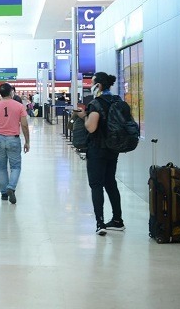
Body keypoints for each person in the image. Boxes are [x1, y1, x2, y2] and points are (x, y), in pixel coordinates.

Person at [72, 72, 124, 236]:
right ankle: (118, 220)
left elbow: (91, 127)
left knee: (96, 185)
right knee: (110, 183)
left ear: (98, 86)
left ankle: (100, 223)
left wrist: (83, 116)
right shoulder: (116, 100)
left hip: (97, 149)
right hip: (113, 148)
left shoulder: (96, 103)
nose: (90, 85)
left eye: (92, 83)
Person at [0, 83, 30, 204]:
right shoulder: (19, 106)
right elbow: (24, 125)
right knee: (15, 167)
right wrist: (27, 141)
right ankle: (11, 187)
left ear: (0, 93)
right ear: (11, 92)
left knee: (2, 167)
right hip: (13, 139)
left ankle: (4, 193)